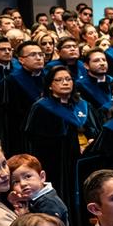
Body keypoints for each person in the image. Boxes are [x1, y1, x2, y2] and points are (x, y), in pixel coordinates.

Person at [25, 65, 90, 203]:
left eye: (68, 79)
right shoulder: (41, 107)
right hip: (53, 160)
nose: (65, 83)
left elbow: (93, 129)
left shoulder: (81, 105)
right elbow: (33, 139)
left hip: (78, 159)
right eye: (59, 80)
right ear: (50, 85)